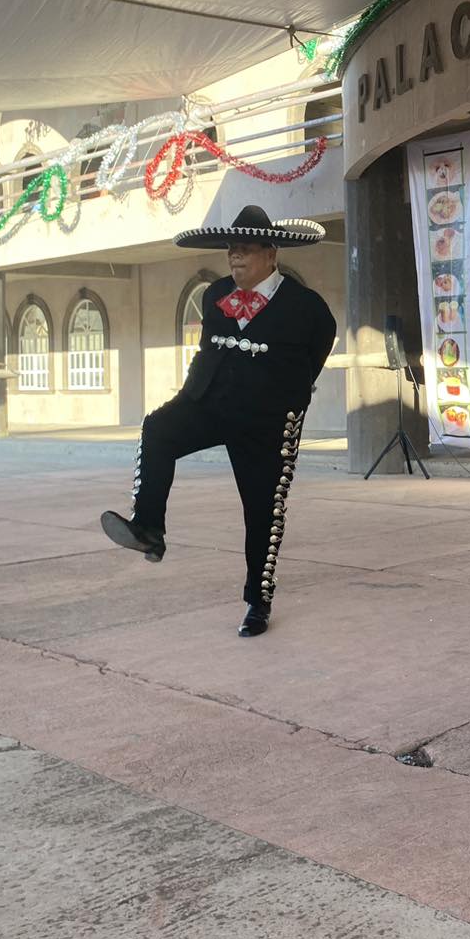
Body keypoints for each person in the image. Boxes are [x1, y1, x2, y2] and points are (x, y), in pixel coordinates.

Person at [100, 205, 337, 637]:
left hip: (266, 421)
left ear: (271, 253)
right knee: (157, 429)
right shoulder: (215, 295)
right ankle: (149, 529)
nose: (235, 257)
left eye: (245, 249)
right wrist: (187, 397)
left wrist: (292, 398)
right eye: (231, 250)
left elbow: (318, 349)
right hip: (210, 403)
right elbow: (208, 351)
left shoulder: (307, 306)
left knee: (262, 514)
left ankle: (257, 603)